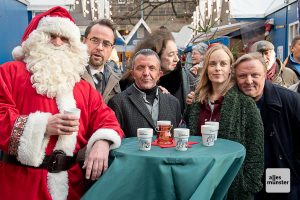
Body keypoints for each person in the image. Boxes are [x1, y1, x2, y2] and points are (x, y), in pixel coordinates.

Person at [0, 7, 124, 200]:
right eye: (51, 35)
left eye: (64, 38)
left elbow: (106, 119)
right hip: (20, 185)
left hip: (71, 187)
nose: (58, 42)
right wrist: (42, 127)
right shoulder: (9, 73)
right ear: (35, 39)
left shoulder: (83, 87)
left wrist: (102, 141)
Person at [184, 44, 264, 199]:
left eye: (223, 64)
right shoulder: (196, 101)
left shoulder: (244, 103)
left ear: (230, 69)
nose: (217, 68)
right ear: (206, 68)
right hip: (200, 178)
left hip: (233, 183)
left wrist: (248, 185)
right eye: (212, 64)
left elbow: (256, 149)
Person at [233, 52, 300, 200]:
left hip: (279, 174)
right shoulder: (231, 103)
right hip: (245, 180)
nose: (249, 81)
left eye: (255, 75)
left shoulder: (290, 101)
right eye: (242, 76)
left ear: (265, 74)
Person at [108, 49, 181, 137]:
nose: (146, 73)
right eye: (140, 68)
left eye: (152, 68)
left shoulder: (173, 103)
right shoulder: (118, 103)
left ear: (159, 74)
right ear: (133, 74)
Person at [120, 28, 195, 114]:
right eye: (171, 55)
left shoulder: (186, 80)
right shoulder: (130, 84)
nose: (177, 59)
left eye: (176, 53)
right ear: (156, 56)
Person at [81, 19, 121, 104]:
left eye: (106, 44)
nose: (100, 47)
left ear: (112, 49)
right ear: (84, 41)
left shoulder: (117, 80)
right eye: (95, 40)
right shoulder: (70, 75)